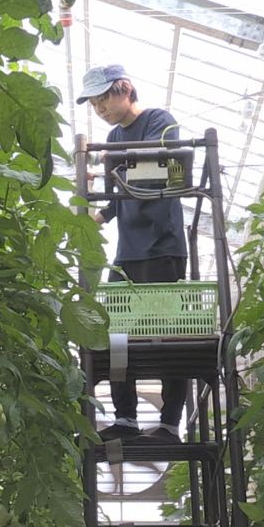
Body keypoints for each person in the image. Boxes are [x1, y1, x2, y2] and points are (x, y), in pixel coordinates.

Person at [77, 64, 189, 444]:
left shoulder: (159, 120)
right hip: (128, 252)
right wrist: (104, 214)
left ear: (126, 88)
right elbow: (120, 188)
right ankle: (125, 418)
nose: (100, 108)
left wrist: (117, 163)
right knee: (116, 333)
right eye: (94, 103)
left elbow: (166, 168)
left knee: (171, 335)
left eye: (104, 97)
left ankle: (170, 423)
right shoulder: (111, 136)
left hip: (163, 245)